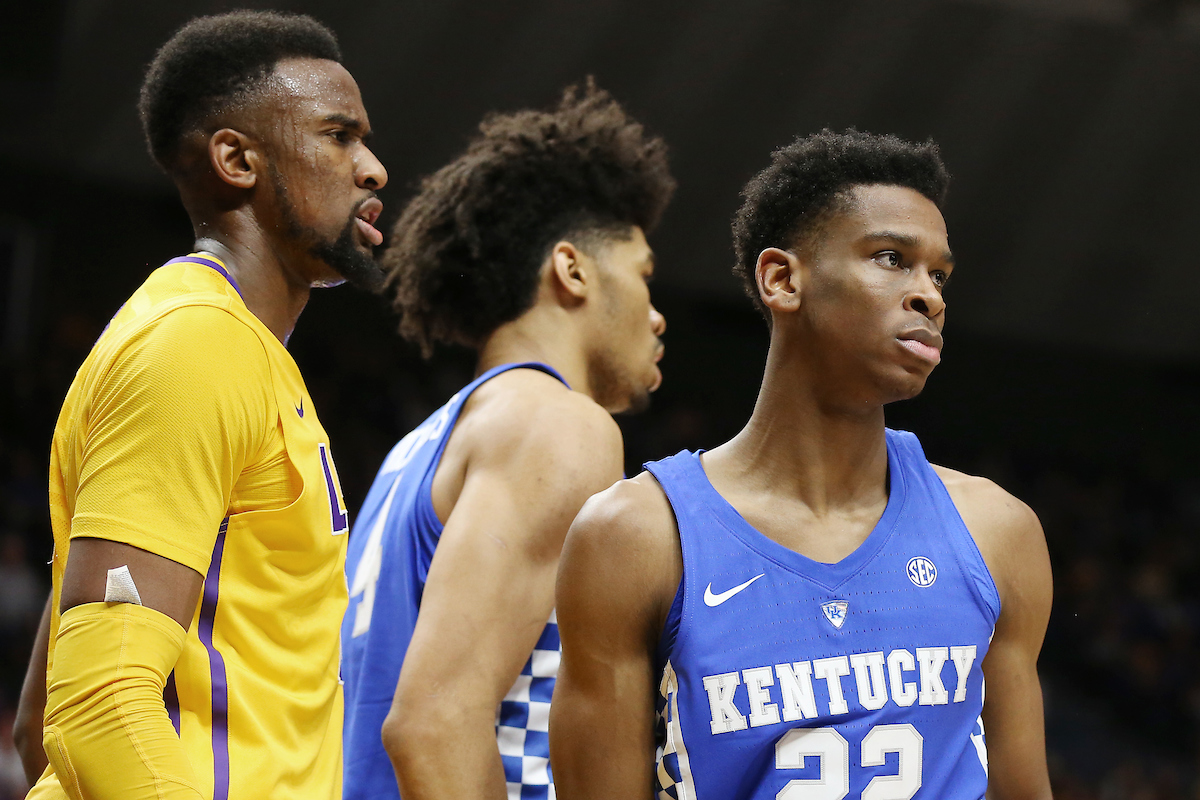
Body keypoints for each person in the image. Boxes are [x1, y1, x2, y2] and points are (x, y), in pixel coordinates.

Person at [550, 129, 1053, 799]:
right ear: (782, 279)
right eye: (890, 258)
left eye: (938, 275)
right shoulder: (634, 537)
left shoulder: (998, 532)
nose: (928, 296)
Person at [19, 10, 387, 799]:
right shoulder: (196, 347)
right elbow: (94, 708)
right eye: (338, 136)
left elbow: (34, 721)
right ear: (236, 159)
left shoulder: (244, 353)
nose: (373, 168)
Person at [339, 81, 674, 800]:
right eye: (645, 276)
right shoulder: (558, 424)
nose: (658, 315)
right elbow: (431, 723)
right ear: (572, 270)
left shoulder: (422, 446)